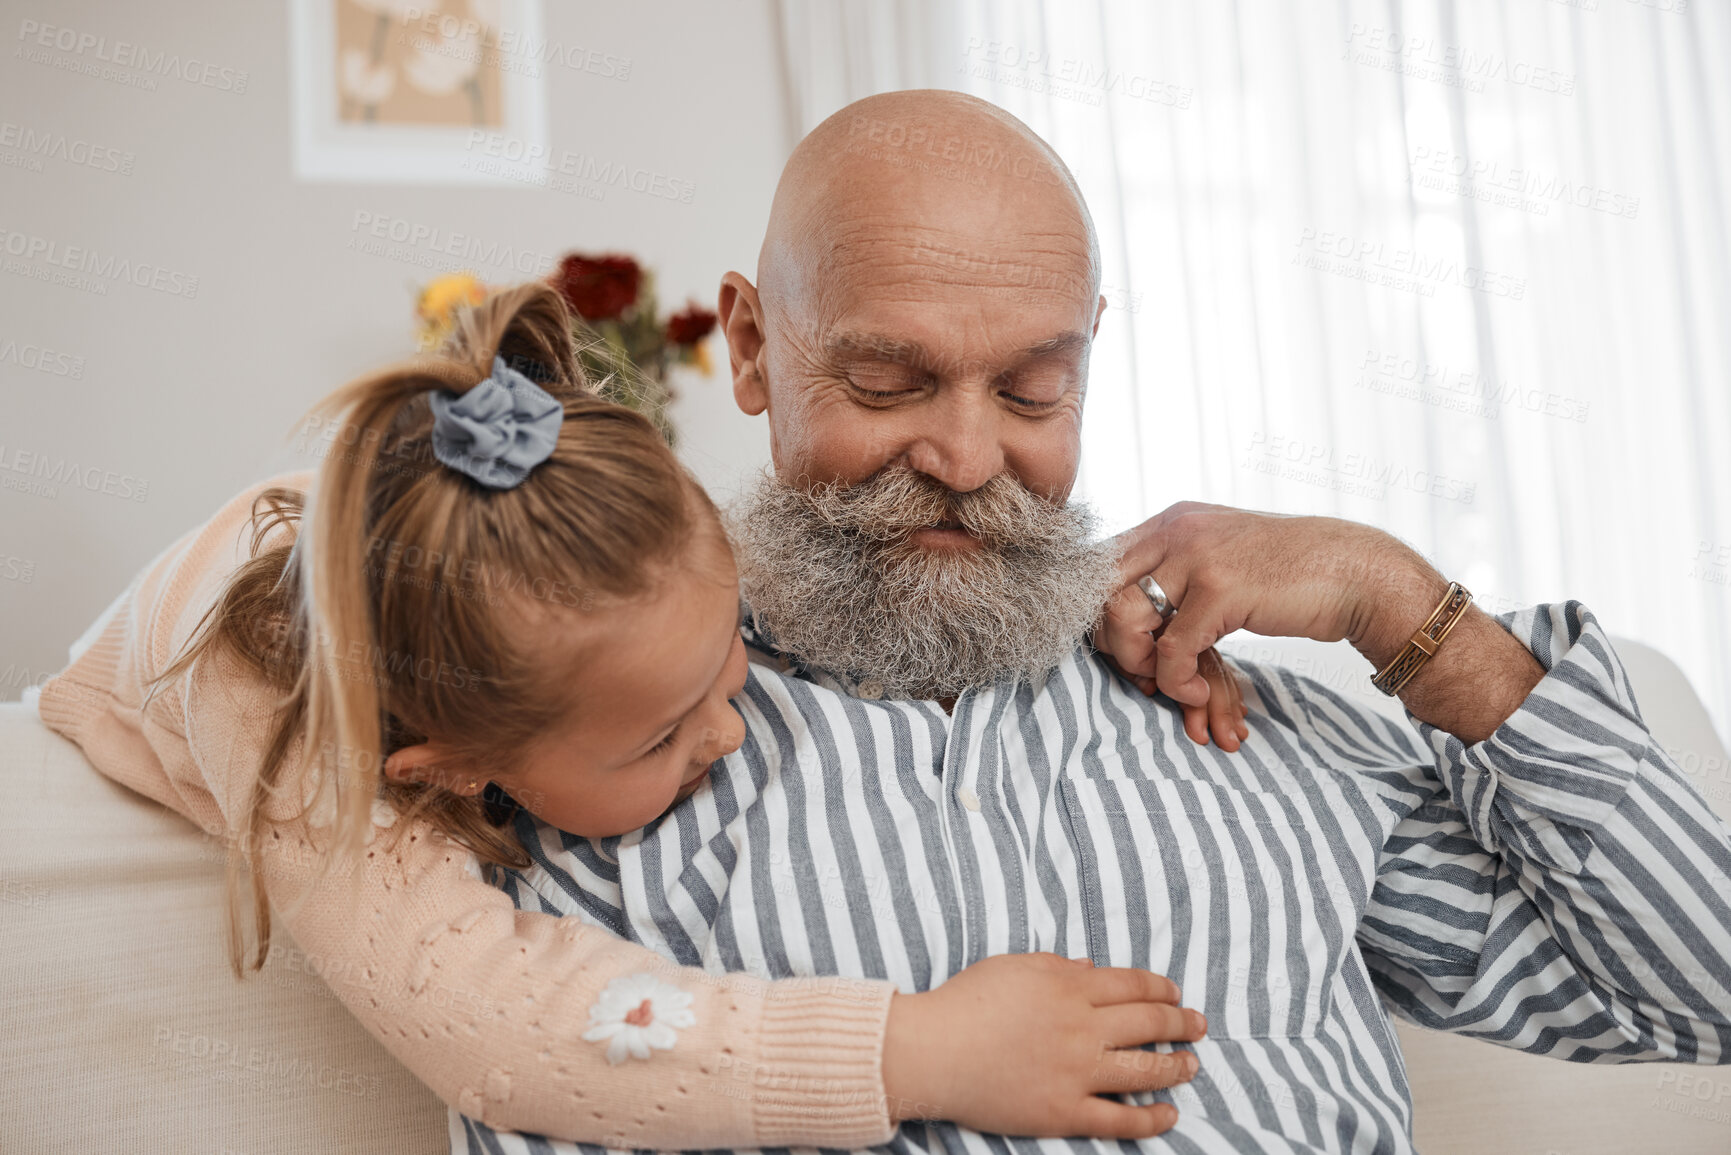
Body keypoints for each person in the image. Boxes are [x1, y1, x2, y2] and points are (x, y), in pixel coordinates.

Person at [462, 91, 1731, 1155]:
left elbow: (1700, 991)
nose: (966, 457)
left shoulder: (1243, 720)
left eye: (1032, 390)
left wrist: (1405, 602)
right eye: (888, 381)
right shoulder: (606, 746)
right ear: (750, 347)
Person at [37, 281, 1261, 1147]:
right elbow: (500, 1028)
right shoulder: (314, 749)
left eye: (727, 669)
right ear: (455, 769)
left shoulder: (604, 556)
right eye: (659, 739)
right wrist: (919, 1051)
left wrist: (1059, 598)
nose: (728, 734)